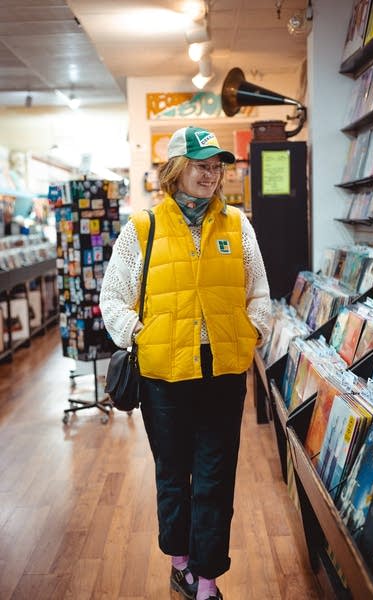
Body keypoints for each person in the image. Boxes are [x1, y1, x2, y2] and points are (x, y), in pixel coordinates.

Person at [100, 126, 271, 600]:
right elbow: (112, 297)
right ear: (176, 170)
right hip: (163, 376)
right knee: (173, 473)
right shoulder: (142, 228)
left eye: (216, 166)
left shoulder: (237, 225)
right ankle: (180, 562)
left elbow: (259, 290)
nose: (211, 175)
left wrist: (252, 331)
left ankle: (207, 580)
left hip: (223, 372)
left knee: (216, 477)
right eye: (201, 166)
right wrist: (140, 334)